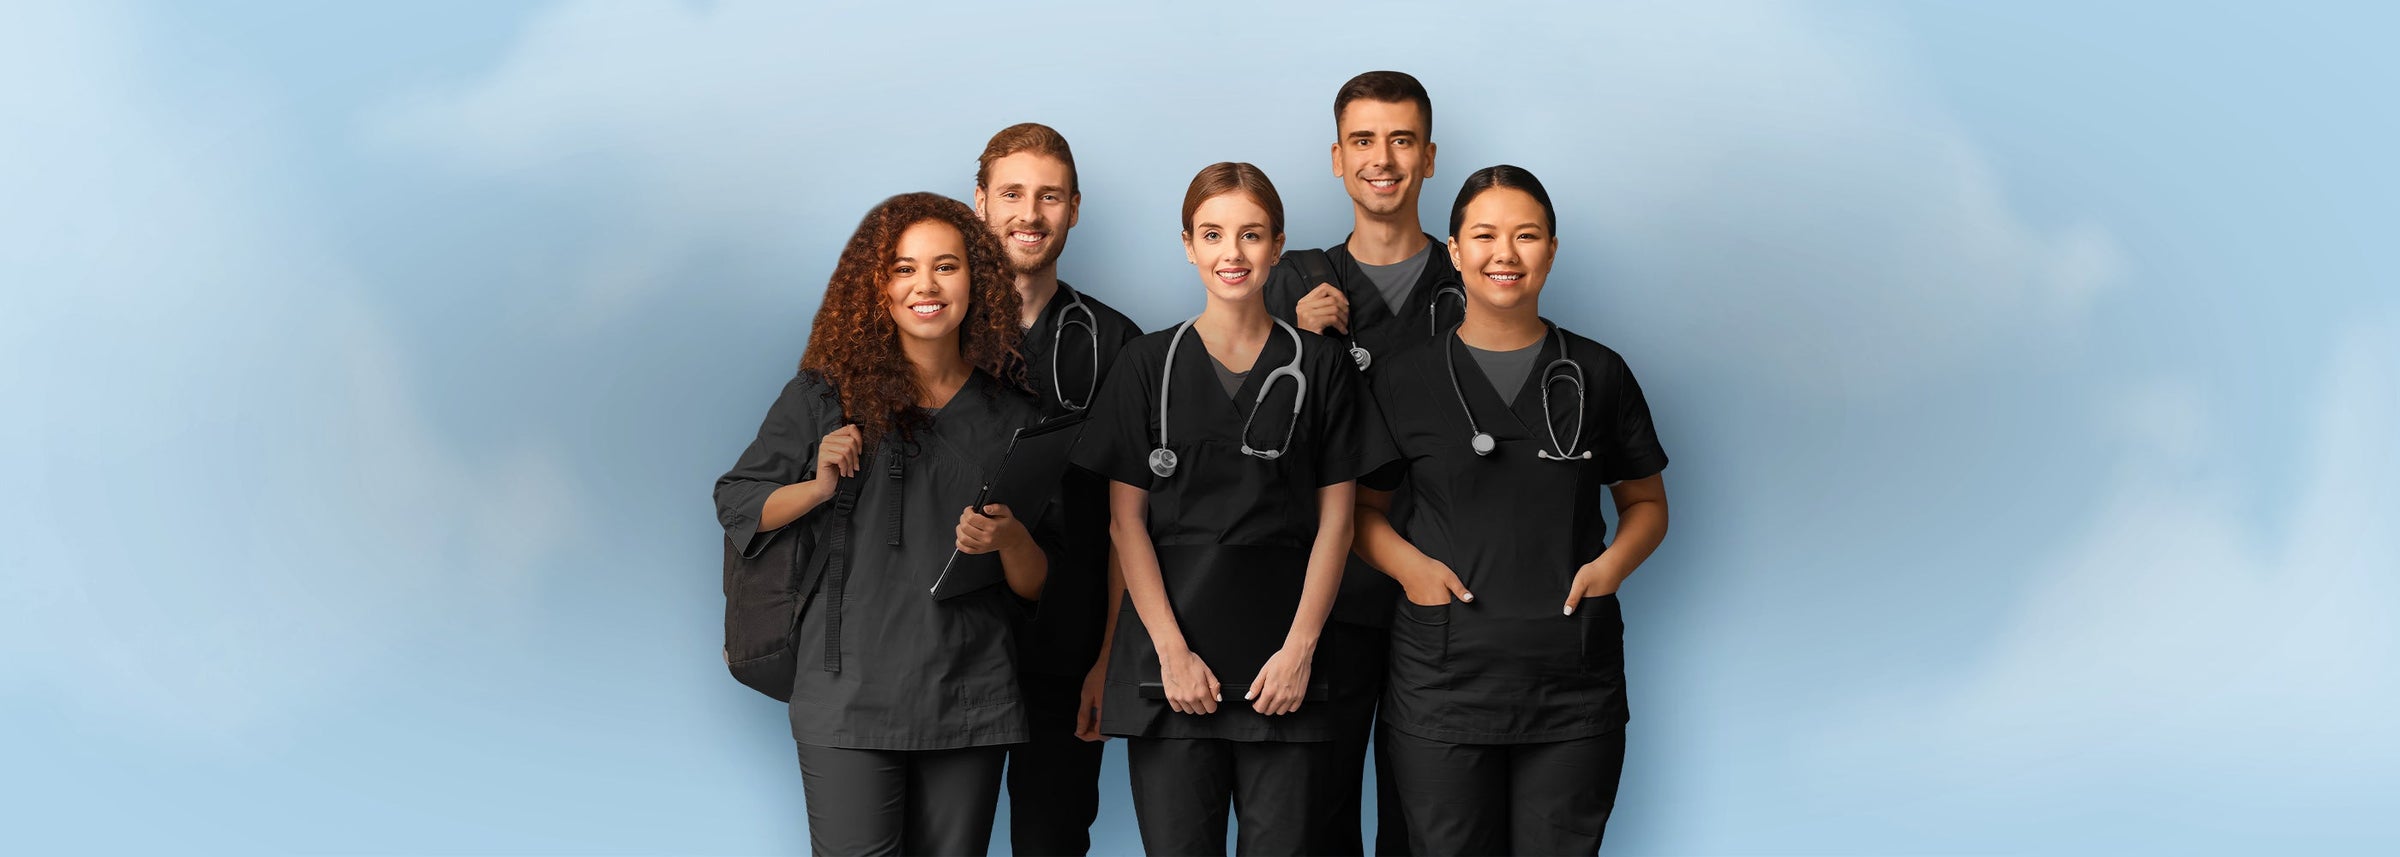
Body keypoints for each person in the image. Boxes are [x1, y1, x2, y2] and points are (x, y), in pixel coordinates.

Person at [713, 192, 1057, 856]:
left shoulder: (1015, 417)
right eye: (903, 269)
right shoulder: (821, 396)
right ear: (876, 287)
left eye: (946, 266)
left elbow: (1040, 583)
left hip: (971, 697)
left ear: (977, 279)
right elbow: (739, 500)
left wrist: (1011, 539)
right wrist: (815, 487)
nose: (925, 285)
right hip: (847, 697)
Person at [1070, 162, 1395, 855]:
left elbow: (1338, 520)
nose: (1232, 253)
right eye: (1213, 235)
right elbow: (1125, 521)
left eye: (1250, 235)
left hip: (1285, 671)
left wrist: (1299, 652)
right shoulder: (1145, 365)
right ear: (1188, 245)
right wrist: (1171, 651)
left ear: (1278, 246)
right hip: (1172, 670)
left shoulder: (1322, 367)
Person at [1352, 165, 1670, 855]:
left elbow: (1645, 502)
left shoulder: (1598, 372)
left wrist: (1613, 564)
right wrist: (1413, 571)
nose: (1506, 253)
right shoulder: (1403, 378)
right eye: (1485, 235)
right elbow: (1362, 515)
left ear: (1551, 250)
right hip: (1443, 681)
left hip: (1571, 683)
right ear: (1455, 251)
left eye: (1526, 236)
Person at [1258, 69, 1459, 856]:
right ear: (1337, 159)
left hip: (1441, 591)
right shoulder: (1287, 283)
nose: (1384, 158)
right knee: (1315, 814)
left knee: (1431, 818)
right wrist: (1294, 339)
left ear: (1430, 157)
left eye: (1402, 140)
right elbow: (1241, 433)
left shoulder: (1474, 279)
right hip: (1323, 598)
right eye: (1365, 141)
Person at [969, 122, 1143, 856]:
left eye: (1048, 196)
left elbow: (1130, 522)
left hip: (1067, 652)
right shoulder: (926, 326)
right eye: (1012, 193)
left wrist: (1108, 659)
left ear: (1074, 207)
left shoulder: (1117, 343)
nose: (1029, 213)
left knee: (1053, 838)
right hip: (950, 647)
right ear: (979, 203)